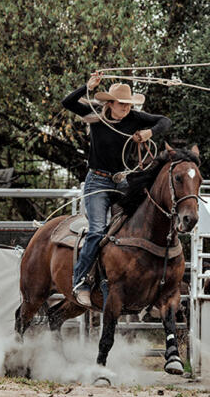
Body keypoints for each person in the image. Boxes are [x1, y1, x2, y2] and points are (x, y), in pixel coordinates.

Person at [62, 76, 172, 307]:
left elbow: (164, 121)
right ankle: (80, 281)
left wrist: (148, 134)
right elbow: (68, 102)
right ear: (110, 104)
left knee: (143, 222)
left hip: (122, 182)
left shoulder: (133, 118)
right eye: (122, 103)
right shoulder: (95, 117)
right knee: (97, 231)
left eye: (129, 104)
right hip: (97, 183)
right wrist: (88, 87)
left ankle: (146, 281)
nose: (126, 108)